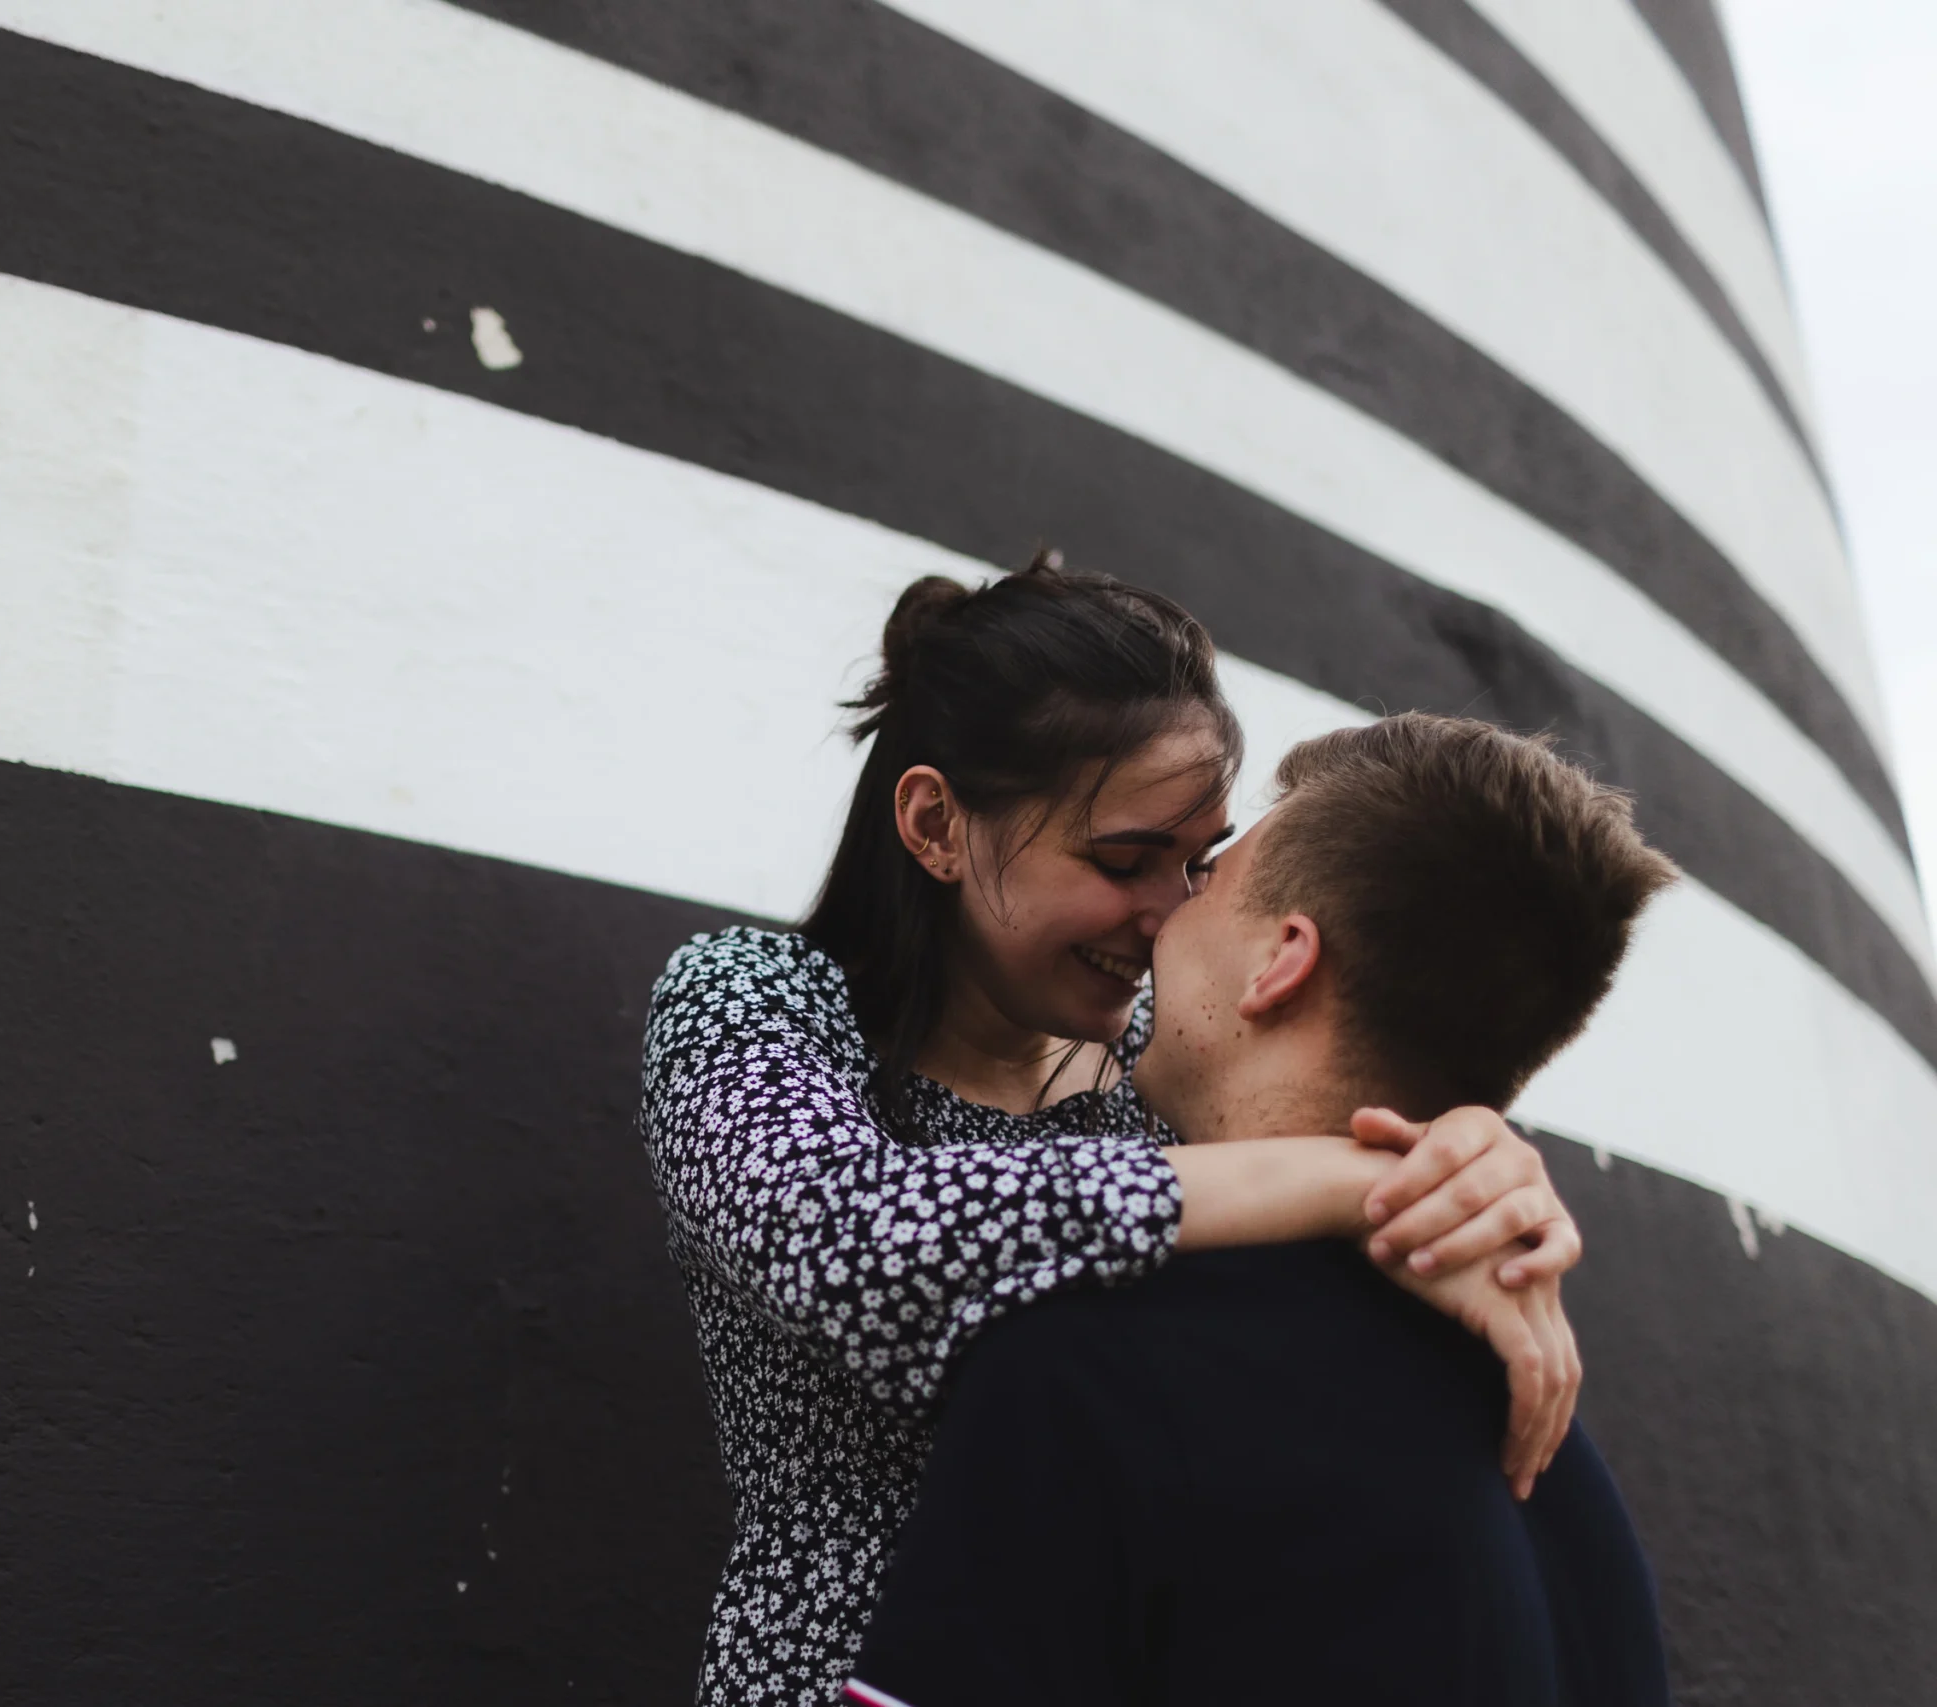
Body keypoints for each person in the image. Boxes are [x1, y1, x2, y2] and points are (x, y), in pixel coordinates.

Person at [641, 565, 1588, 1705]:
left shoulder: (1160, 1056)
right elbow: (850, 1250)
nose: (1172, 915)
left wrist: (1475, 1178)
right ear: (936, 825)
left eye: (1197, 864)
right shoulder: (754, 1001)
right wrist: (1353, 1175)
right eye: (1122, 861)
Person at [845, 713, 1678, 1707]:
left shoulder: (1092, 1368)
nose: (1159, 917)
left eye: (1207, 881)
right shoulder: (1570, 1491)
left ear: (1280, 960)